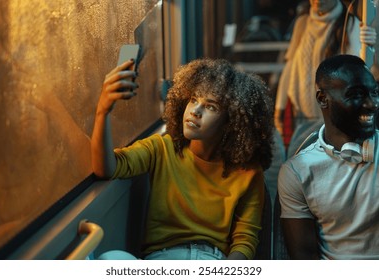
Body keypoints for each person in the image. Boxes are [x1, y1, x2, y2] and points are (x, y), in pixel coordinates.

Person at [91, 58, 275, 260]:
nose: (195, 111)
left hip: (213, 262)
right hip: (161, 261)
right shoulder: (161, 148)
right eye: (194, 99)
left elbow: (245, 241)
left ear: (230, 123)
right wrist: (103, 111)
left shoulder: (248, 172)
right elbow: (107, 168)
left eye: (210, 107)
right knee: (111, 258)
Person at [278, 54, 379, 259]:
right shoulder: (298, 171)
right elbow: (304, 260)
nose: (372, 104)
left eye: (374, 93)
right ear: (323, 99)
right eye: (356, 94)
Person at [274, 0, 377, 145]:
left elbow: (359, 69)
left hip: (333, 121)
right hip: (302, 117)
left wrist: (370, 46)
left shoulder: (349, 24)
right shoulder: (302, 23)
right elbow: (290, 66)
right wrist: (280, 106)